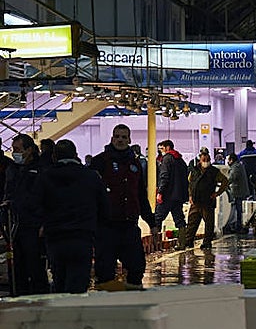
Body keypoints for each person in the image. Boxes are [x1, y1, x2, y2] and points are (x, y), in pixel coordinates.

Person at [32, 139, 107, 293]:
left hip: (55, 237)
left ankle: (61, 313)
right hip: (82, 236)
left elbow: (34, 204)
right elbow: (104, 206)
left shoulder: (45, 177)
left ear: (54, 157)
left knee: (59, 280)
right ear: (76, 154)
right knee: (78, 282)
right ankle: (76, 313)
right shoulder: (91, 176)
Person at [90, 124, 156, 288]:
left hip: (129, 225)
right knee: (105, 270)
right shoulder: (100, 161)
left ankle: (134, 301)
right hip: (106, 227)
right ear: (112, 138)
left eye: (124, 137)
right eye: (117, 136)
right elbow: (90, 194)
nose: (120, 140)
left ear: (129, 140)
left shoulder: (135, 164)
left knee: (136, 267)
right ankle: (106, 305)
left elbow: (140, 194)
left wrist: (151, 222)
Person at [4, 133, 50, 295]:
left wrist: (44, 223)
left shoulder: (42, 169)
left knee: (36, 267)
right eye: (13, 149)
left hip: (34, 226)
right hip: (15, 227)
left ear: (29, 150)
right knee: (17, 269)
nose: (15, 153)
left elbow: (47, 199)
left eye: (18, 149)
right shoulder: (12, 170)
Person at [181, 149, 230, 250]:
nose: (206, 162)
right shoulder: (194, 170)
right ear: (200, 159)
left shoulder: (214, 172)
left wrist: (217, 193)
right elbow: (190, 183)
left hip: (208, 201)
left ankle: (207, 242)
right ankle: (188, 241)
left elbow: (225, 181)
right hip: (195, 201)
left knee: (209, 224)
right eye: (204, 159)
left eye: (207, 159)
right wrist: (190, 195)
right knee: (191, 223)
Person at [155, 139, 188, 235]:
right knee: (179, 220)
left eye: (162, 148)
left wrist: (160, 192)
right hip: (178, 196)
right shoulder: (180, 160)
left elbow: (164, 176)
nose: (161, 151)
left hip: (167, 195)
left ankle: (156, 243)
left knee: (157, 218)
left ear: (167, 147)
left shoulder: (167, 159)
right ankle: (182, 243)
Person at [224, 154, 251, 234]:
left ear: (231, 160)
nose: (228, 162)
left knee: (239, 211)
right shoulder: (238, 166)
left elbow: (231, 178)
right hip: (239, 191)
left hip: (238, 192)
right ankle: (239, 226)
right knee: (238, 210)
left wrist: (224, 183)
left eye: (228, 160)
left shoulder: (236, 167)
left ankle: (239, 227)